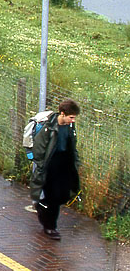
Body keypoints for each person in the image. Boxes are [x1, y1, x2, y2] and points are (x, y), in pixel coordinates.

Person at [33, 99, 81, 240]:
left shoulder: (70, 127)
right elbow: (39, 147)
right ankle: (50, 227)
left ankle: (41, 205)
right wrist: (42, 166)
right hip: (51, 164)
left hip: (65, 164)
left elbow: (73, 146)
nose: (72, 120)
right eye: (71, 117)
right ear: (62, 113)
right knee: (53, 197)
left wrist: (76, 163)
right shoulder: (49, 126)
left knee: (64, 195)